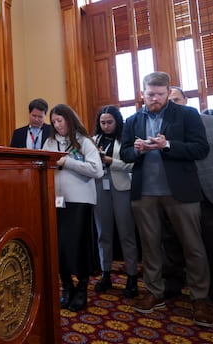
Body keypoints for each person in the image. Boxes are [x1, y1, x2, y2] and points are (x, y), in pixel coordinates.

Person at [120, 72, 212, 327]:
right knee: (150, 247)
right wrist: (136, 150)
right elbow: (125, 152)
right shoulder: (132, 119)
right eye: (150, 94)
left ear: (168, 92)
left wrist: (168, 145)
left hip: (180, 192)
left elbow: (200, 149)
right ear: (142, 93)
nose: (155, 99)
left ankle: (200, 298)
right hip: (144, 193)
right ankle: (154, 292)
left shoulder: (187, 115)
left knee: (193, 246)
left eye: (160, 94)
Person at [163, 87, 213, 312]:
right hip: (176, 194)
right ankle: (174, 286)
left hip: (209, 193)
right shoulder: (163, 127)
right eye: (170, 102)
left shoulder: (210, 123)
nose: (174, 104)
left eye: (176, 99)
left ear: (186, 100)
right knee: (174, 244)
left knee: (212, 246)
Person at [42, 104, 103, 312]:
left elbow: (97, 170)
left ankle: (82, 288)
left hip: (80, 200)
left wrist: (67, 163)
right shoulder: (49, 142)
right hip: (57, 200)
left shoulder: (84, 141)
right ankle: (67, 286)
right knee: (60, 247)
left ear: (69, 119)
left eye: (60, 120)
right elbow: (41, 164)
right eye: (54, 122)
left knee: (79, 246)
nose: (57, 125)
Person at [92, 105, 139, 298]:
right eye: (102, 122)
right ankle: (105, 273)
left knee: (126, 233)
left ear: (117, 122)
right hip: (99, 188)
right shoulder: (94, 140)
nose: (106, 126)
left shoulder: (126, 139)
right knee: (103, 232)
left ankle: (132, 276)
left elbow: (132, 164)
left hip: (122, 187)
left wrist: (110, 161)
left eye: (109, 122)